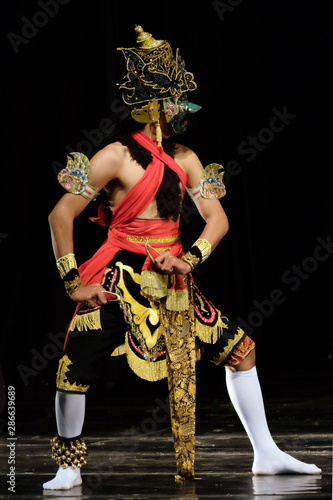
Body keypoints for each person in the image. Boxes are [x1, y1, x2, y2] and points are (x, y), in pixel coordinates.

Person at [43, 26, 321, 490]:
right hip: (121, 278)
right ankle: (68, 465)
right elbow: (60, 215)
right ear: (155, 103)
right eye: (176, 100)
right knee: (75, 365)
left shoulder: (187, 158)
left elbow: (218, 219)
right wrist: (73, 282)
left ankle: (266, 453)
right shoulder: (113, 157)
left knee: (242, 350)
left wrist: (190, 258)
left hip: (173, 281)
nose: (184, 109)